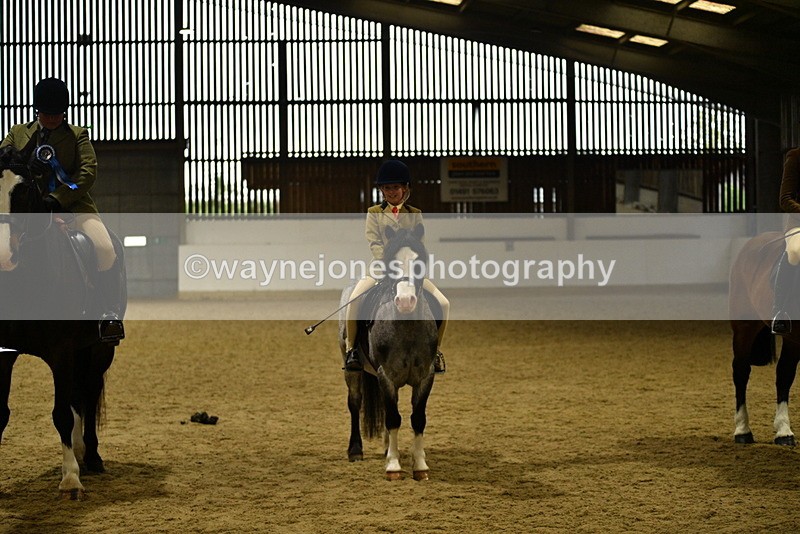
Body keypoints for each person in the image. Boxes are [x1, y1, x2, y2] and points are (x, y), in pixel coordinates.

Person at [0, 77, 124, 343]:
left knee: (104, 248)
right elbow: (4, 164)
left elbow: (87, 172)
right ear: (37, 110)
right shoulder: (17, 133)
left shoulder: (78, 135)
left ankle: (108, 314)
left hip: (73, 207)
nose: (53, 119)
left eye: (58, 114)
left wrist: (57, 200)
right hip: (25, 212)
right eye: (47, 114)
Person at [343, 159, 449, 373]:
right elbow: (373, 241)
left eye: (396, 187)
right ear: (382, 190)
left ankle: (435, 351)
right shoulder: (374, 213)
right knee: (354, 300)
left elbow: (419, 245)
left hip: (410, 270)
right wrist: (389, 264)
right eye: (387, 188)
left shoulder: (415, 213)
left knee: (444, 303)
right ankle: (352, 349)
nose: (392, 192)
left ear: (405, 188)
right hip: (380, 268)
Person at [773, 147, 800, 334]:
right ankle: (779, 311)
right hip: (798, 223)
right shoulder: (795, 157)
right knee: (795, 251)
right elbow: (785, 199)